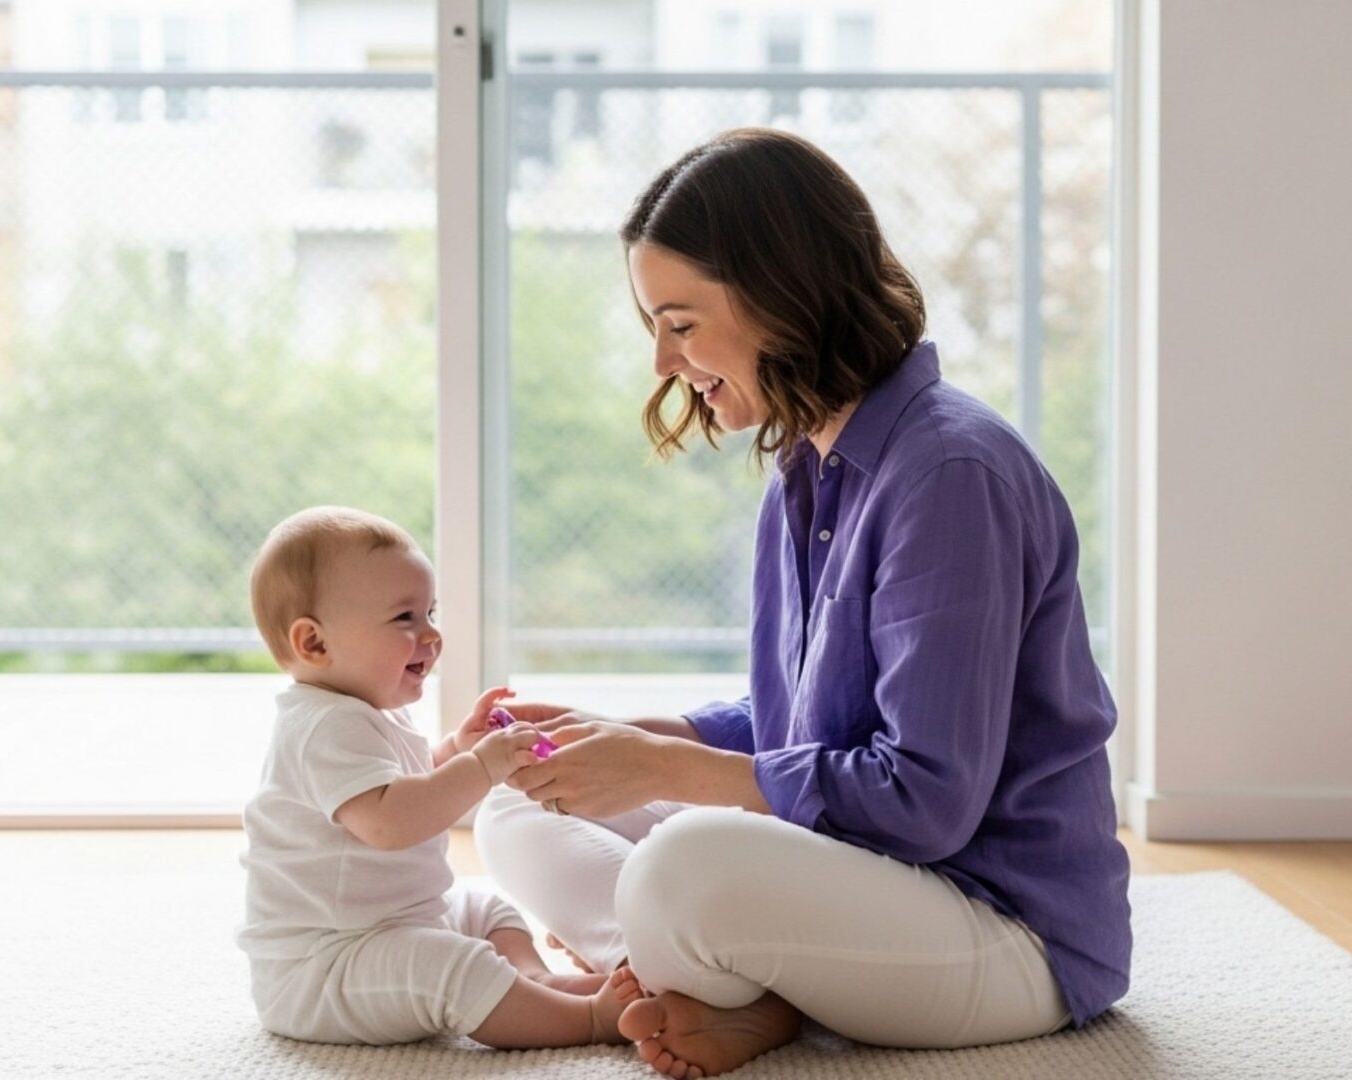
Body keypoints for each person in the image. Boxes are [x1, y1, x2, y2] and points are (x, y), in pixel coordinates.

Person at [476, 127, 1132, 1079]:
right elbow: (811, 720)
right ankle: (721, 985)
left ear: (779, 295)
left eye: (681, 321)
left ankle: (728, 981)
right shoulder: (809, 464)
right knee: (515, 799)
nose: (663, 360)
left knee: (680, 868)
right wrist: (617, 741)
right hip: (869, 880)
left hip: (1004, 926)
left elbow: (923, 802)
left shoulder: (949, 473)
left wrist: (660, 769)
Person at [236, 505, 643, 1048]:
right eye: (405, 619)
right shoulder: (321, 727)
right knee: (447, 967)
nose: (431, 635)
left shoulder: (365, 712)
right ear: (315, 643)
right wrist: (482, 766)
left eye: (430, 612)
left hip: (395, 923)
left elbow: (407, 778)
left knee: (484, 907)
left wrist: (458, 748)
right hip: (324, 967)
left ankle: (534, 980)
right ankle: (587, 1019)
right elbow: (390, 822)